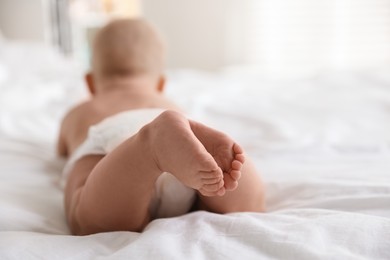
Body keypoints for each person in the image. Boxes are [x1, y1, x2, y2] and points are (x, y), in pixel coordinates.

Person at [57, 18, 265, 235]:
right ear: (161, 84)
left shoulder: (82, 110)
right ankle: (222, 174)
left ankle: (149, 149)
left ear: (90, 83)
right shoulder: (168, 103)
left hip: (116, 149)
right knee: (247, 203)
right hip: (178, 139)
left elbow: (61, 149)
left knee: (83, 214)